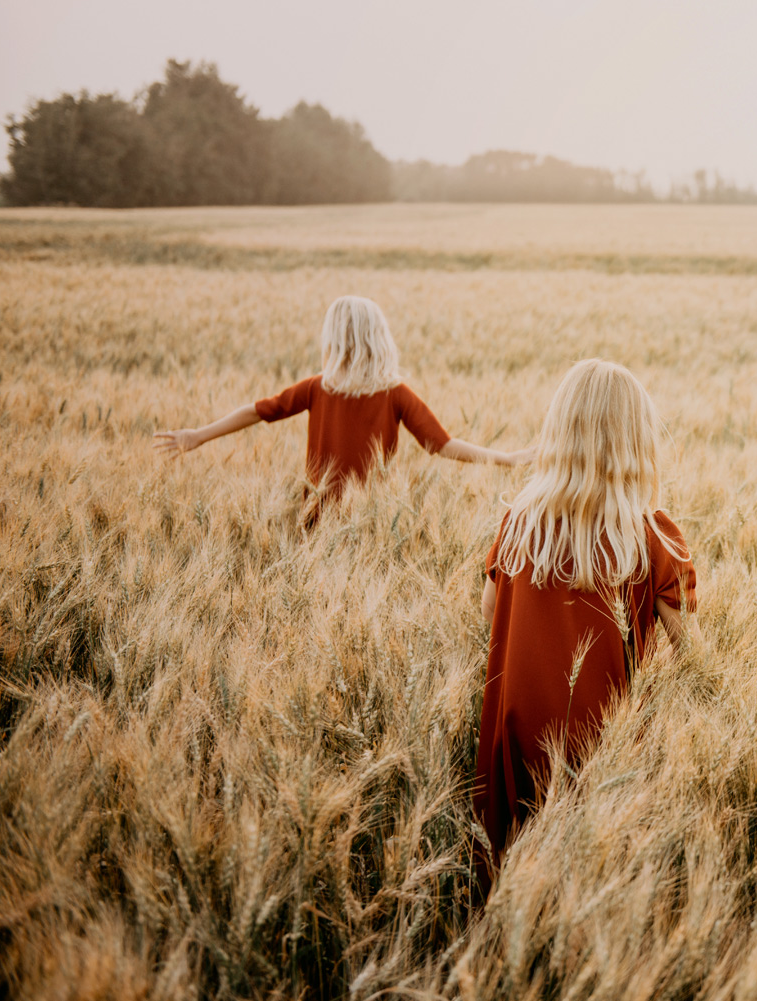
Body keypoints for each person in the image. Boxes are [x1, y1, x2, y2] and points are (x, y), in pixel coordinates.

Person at [475, 359, 698, 875]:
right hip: (606, 745)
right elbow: (692, 654)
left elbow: (490, 616)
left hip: (518, 734)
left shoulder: (519, 523)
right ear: (635, 444)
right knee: (595, 878)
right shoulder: (653, 537)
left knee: (512, 873)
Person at [153, 296, 529, 498]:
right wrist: (506, 459)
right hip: (373, 517)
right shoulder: (394, 393)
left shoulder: (318, 388)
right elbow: (443, 445)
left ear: (332, 339)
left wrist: (199, 435)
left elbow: (257, 411)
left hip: (318, 513)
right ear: (379, 338)